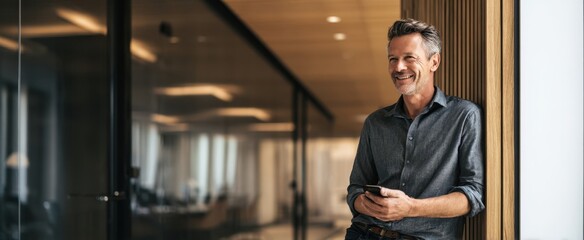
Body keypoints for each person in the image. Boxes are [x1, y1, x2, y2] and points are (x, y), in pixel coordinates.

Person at [345, 18, 484, 240]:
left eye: (409, 58)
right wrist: (366, 203)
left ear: (434, 62)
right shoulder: (375, 122)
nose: (399, 67)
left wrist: (410, 207)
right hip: (365, 234)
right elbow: (355, 190)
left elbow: (473, 196)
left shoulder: (464, 116)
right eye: (393, 59)